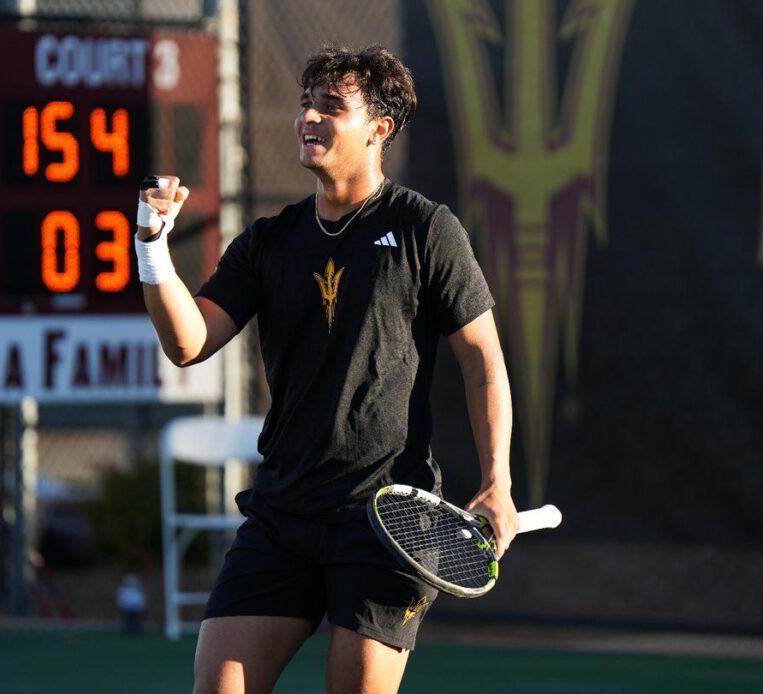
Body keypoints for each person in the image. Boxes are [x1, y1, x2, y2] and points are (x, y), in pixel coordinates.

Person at [133, 46, 518, 692]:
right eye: (305, 102)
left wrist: (496, 480)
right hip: (282, 516)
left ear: (379, 128)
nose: (308, 116)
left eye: (331, 106)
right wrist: (151, 249)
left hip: (386, 523)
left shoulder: (426, 230)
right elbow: (187, 342)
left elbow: (483, 361)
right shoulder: (267, 242)